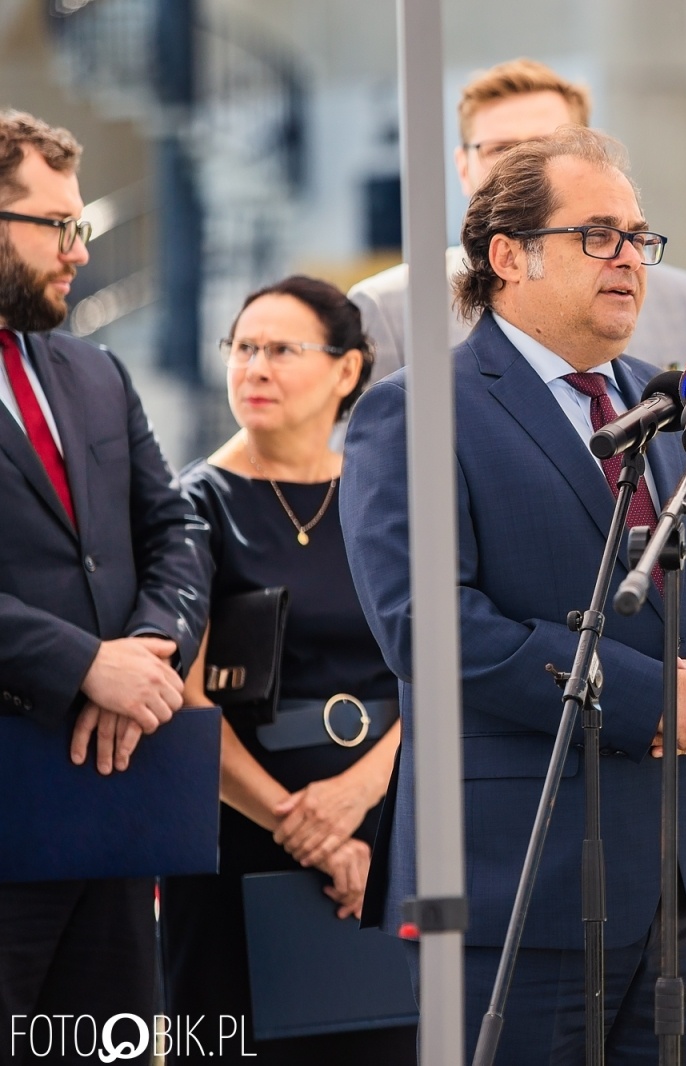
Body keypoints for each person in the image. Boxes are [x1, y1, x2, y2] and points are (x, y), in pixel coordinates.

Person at [340, 127, 686, 1063]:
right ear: (508, 255)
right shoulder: (417, 410)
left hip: (673, 877)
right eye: (599, 236)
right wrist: (649, 697)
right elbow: (430, 625)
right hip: (518, 884)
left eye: (639, 237)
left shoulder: (679, 411)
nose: (630, 259)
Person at [160, 276, 413, 1062]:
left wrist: (361, 795)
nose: (255, 369)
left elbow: (437, 669)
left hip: (384, 831)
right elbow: (187, 696)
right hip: (242, 836)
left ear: (348, 370)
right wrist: (302, 828)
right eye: (243, 349)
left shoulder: (386, 497)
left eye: (281, 349)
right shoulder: (192, 505)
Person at [0, 111, 209, 1028]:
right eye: (57, 224)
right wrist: (82, 664)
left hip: (116, 813)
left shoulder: (95, 371)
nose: (79, 250)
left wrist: (150, 646)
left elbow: (177, 528)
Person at [348, 57, 686, 521]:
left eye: (547, 146)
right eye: (502, 150)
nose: (524, 167)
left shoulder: (673, 296)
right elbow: (370, 506)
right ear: (463, 166)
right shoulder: (389, 309)